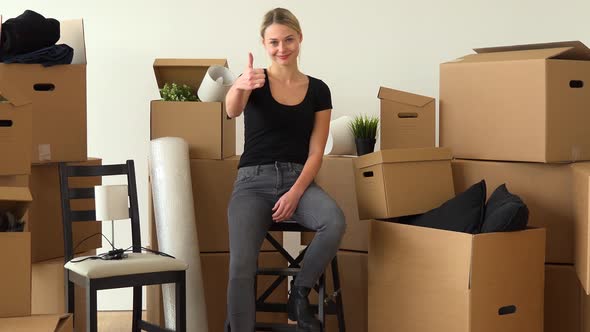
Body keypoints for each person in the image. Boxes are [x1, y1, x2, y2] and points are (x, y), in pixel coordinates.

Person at [224, 7, 346, 332]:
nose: (282, 48)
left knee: (334, 221)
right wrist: (239, 85)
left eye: (288, 39)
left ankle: (300, 293)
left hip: (299, 179)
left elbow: (317, 151)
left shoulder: (319, 90)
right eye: (274, 42)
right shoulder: (253, 80)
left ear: (300, 38)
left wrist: (295, 191)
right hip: (252, 183)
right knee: (241, 265)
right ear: (264, 44)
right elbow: (231, 110)